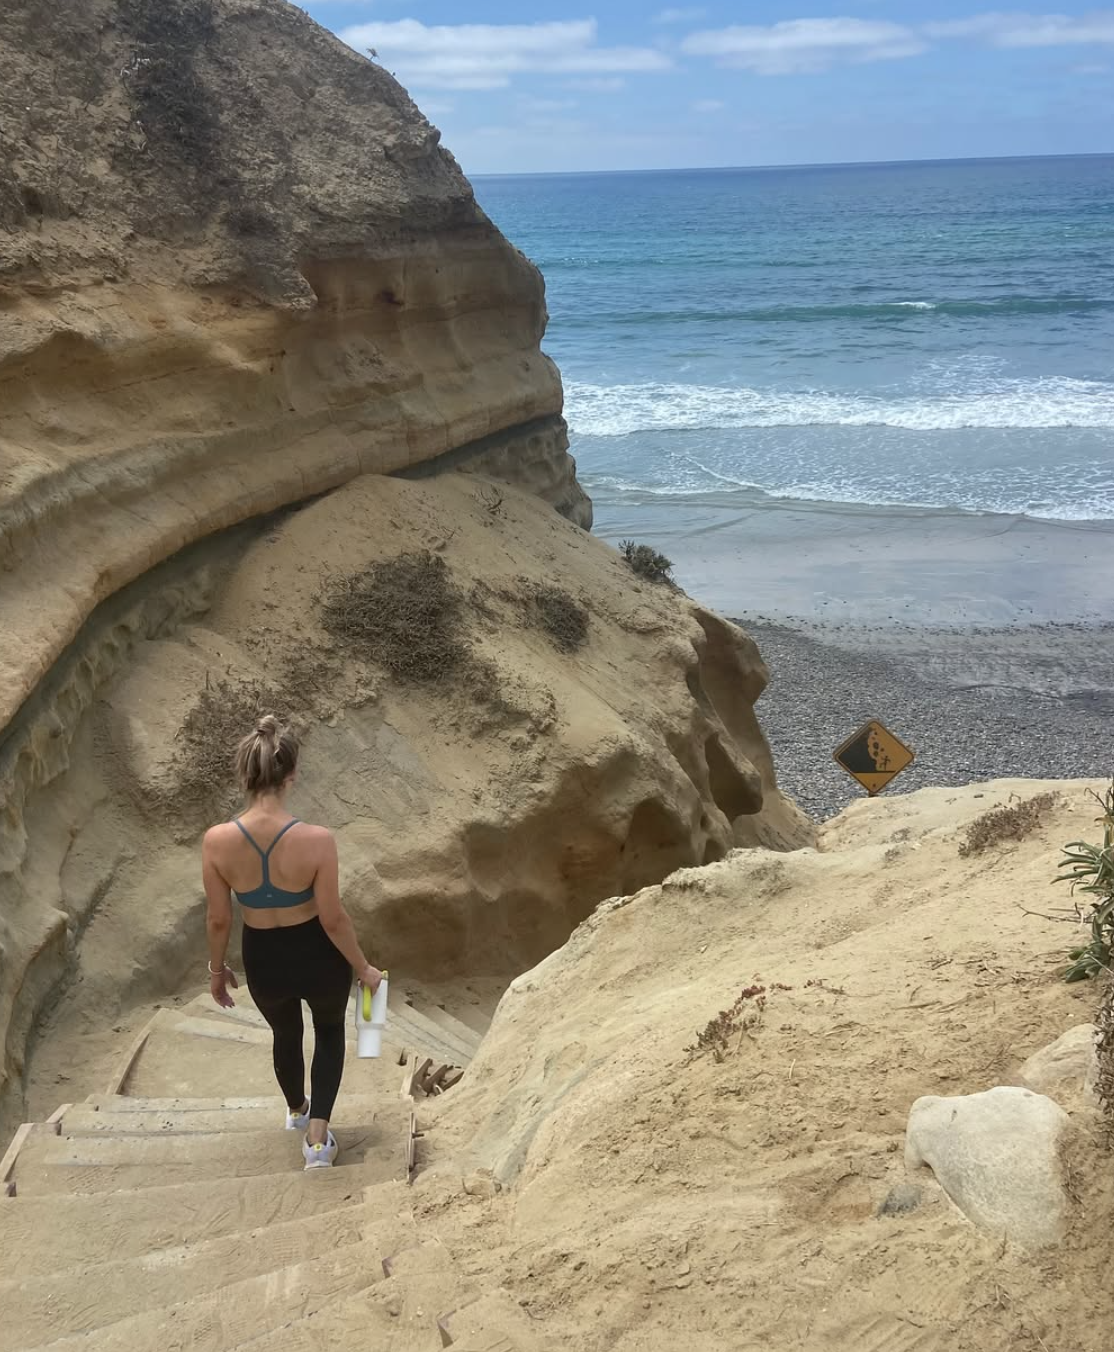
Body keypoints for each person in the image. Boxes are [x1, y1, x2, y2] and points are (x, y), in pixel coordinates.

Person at [201, 715, 383, 1170]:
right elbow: (333, 918)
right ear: (292, 775)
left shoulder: (216, 842)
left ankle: (298, 1111)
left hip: (263, 956)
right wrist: (363, 968)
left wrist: (217, 971)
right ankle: (318, 1142)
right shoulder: (318, 840)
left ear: (244, 775)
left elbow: (219, 919)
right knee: (329, 1031)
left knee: (285, 1033)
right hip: (317, 953)